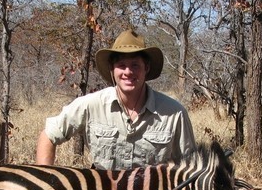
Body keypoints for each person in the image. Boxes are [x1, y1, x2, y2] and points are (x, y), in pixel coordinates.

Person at [36, 29, 196, 169]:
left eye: (135, 65)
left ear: (146, 68)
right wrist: (45, 184)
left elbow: (191, 166)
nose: (128, 72)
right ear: (112, 69)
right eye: (121, 65)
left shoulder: (174, 113)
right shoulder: (90, 104)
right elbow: (48, 136)